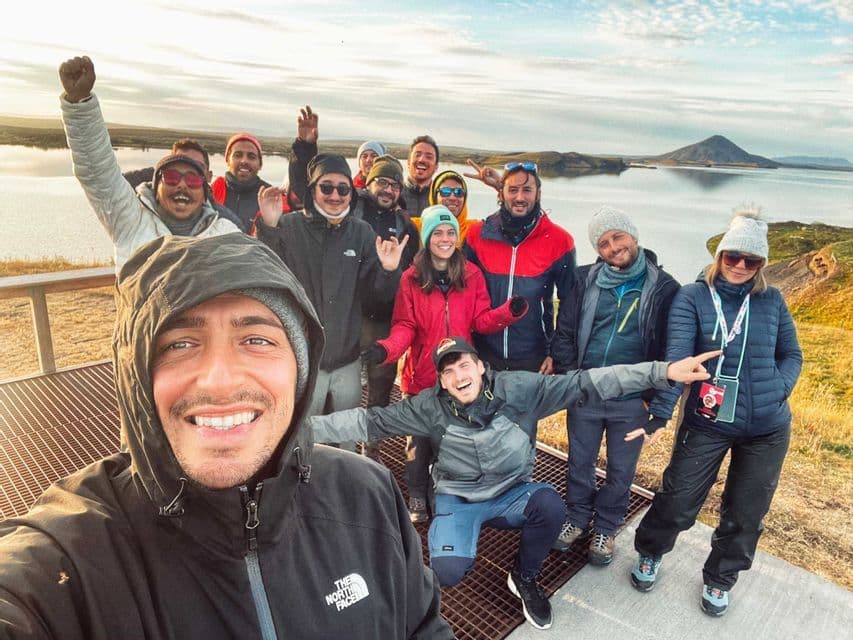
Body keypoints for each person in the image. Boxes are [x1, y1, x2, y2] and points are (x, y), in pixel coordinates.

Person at [0, 232, 452, 639]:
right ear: (137, 376)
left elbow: (424, 629)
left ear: (299, 370)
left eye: (256, 339)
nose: (219, 380)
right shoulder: (72, 556)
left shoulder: (367, 494)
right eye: (179, 344)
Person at [310, 337, 721, 630]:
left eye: (464, 365)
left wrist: (662, 371)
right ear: (442, 381)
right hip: (460, 497)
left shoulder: (522, 390)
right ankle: (437, 568)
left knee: (550, 507)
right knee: (447, 571)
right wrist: (301, 428)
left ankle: (524, 577)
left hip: (512, 492)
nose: (458, 375)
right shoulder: (430, 408)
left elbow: (588, 382)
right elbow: (370, 420)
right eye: (448, 371)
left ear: (481, 367)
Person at [630, 208, 803, 617]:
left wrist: (777, 391)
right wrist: (660, 412)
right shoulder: (692, 297)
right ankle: (651, 552)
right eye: (733, 257)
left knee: (747, 512)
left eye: (752, 260)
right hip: (708, 421)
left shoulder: (772, 300)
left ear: (761, 264)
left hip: (767, 427)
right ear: (720, 254)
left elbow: (791, 354)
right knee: (679, 498)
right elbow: (678, 360)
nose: (741, 266)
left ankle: (720, 579)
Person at [361, 204, 528, 522]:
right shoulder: (411, 279)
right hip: (422, 376)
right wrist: (386, 350)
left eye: (451, 232)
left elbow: (480, 321)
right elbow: (404, 327)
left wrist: (509, 311)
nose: (445, 238)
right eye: (437, 232)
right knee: (418, 444)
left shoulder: (471, 275)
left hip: (458, 380)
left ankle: (442, 495)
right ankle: (416, 498)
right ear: (426, 237)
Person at [550, 206, 680, 564]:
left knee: (621, 470)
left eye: (617, 237)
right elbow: (564, 334)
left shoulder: (665, 288)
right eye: (604, 243)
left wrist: (657, 402)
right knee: (580, 462)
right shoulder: (583, 280)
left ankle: (606, 527)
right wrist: (570, 379)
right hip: (586, 391)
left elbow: (673, 351)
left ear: (633, 236)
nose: (613, 248)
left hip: (632, 400)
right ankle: (576, 518)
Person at [255, 154, 408, 436]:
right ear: (312, 190)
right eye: (326, 187)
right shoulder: (288, 226)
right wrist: (269, 229)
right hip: (303, 359)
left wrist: (388, 271)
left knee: (346, 436)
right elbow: (265, 275)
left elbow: (377, 298)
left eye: (343, 188)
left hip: (347, 359)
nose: (335, 195)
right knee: (301, 434)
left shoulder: (361, 232)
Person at [58, 55, 240, 271]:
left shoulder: (226, 232)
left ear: (204, 190)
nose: (182, 185)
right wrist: (80, 104)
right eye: (172, 177)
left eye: (192, 179)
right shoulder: (130, 221)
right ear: (156, 186)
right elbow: (97, 173)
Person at [463, 161, 576, 373]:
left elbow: (570, 304)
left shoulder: (560, 241)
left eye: (527, 190)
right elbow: (462, 296)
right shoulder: (477, 235)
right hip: (483, 356)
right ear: (500, 193)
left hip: (534, 358)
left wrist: (556, 353)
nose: (520, 197)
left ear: (538, 193)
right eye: (512, 190)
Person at [352, 154, 419, 460]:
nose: (387, 189)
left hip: (385, 321)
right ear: (368, 182)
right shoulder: (352, 209)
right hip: (348, 316)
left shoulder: (405, 226)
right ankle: (338, 447)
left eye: (394, 184)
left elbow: (415, 272)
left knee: (380, 389)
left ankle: (371, 448)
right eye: (381, 181)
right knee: (345, 387)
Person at [211, 107, 318, 234]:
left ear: (260, 164)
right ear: (227, 159)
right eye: (238, 155)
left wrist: (305, 146)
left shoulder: (273, 198)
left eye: (251, 156)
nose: (244, 161)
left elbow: (301, 193)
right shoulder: (211, 192)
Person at [123, 138, 247, 233]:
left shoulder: (225, 222)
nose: (188, 168)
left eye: (197, 167)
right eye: (181, 162)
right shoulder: (140, 208)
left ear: (208, 176)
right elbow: (109, 185)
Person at [427, 170, 473, 243]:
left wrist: (497, 185)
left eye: (459, 192)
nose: (452, 198)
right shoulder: (419, 227)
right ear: (434, 197)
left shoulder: (474, 230)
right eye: (445, 191)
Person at [403, 135, 440, 218]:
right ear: (408, 162)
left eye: (429, 157)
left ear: (436, 166)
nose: (422, 160)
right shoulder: (393, 194)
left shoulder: (441, 198)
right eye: (417, 155)